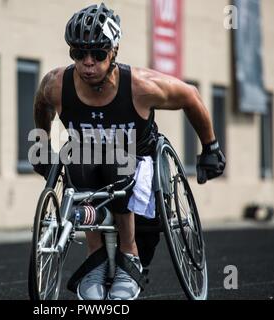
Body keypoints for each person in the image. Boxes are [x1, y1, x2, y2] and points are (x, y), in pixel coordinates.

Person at [31, 3, 226, 300]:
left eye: (98, 54)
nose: (87, 63)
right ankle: (95, 257)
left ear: (114, 51)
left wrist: (210, 147)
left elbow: (191, 96)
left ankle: (129, 251)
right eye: (78, 53)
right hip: (88, 163)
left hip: (139, 160)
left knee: (115, 156)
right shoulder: (57, 85)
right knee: (78, 157)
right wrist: (43, 142)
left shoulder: (141, 87)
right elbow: (40, 104)